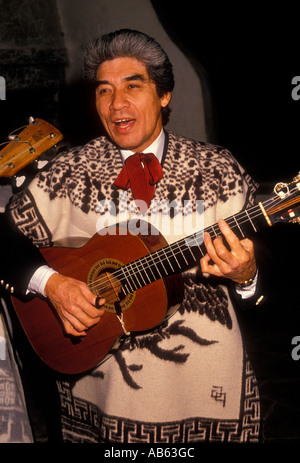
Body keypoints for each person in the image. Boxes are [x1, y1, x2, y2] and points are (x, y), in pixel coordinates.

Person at [1, 29, 264, 443]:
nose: (116, 103)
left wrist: (247, 279)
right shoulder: (66, 175)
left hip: (207, 394)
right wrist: (50, 285)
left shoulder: (220, 171)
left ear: (164, 95)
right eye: (104, 90)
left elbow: (264, 306)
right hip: (104, 403)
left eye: (133, 86)